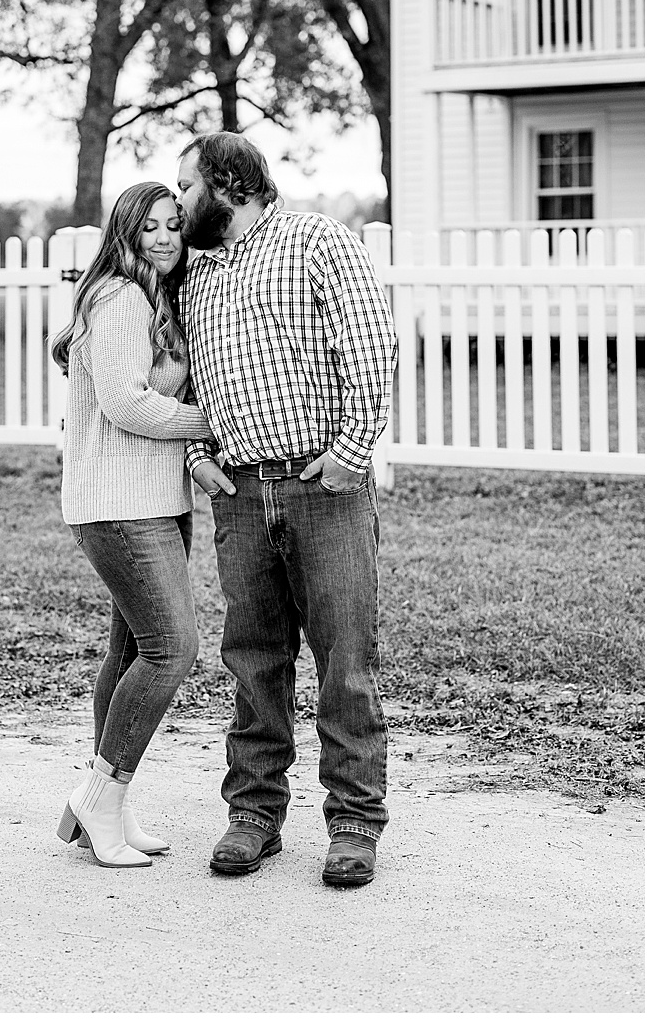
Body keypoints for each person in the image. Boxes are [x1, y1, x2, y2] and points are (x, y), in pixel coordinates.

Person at [176, 131, 397, 888]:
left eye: (186, 187)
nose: (178, 204)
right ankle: (254, 815)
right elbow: (183, 385)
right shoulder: (197, 274)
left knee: (344, 657)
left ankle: (355, 822)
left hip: (322, 488)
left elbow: (371, 348)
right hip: (239, 493)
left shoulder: (314, 241)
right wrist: (195, 458)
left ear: (228, 183)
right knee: (253, 658)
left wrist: (351, 452)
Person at [50, 181, 218, 868]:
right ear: (124, 233)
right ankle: (102, 794)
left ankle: (106, 803)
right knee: (172, 649)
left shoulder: (155, 300)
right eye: (148, 226)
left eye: (174, 225)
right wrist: (213, 422)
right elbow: (127, 404)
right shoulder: (119, 298)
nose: (163, 237)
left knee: (128, 654)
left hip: (155, 501)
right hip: (120, 508)